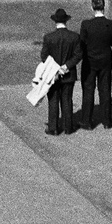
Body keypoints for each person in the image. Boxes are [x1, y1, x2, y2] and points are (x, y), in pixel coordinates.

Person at [78, 0, 112, 130]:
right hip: (105, 60)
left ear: (92, 7)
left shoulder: (86, 24)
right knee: (105, 89)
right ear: (104, 7)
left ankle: (86, 120)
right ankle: (106, 120)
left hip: (90, 60)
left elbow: (82, 43)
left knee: (88, 90)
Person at [40, 8, 81, 136]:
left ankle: (53, 127)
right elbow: (78, 55)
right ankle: (68, 127)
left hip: (53, 74)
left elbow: (44, 56)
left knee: (53, 100)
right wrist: (66, 66)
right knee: (67, 99)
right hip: (69, 74)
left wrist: (55, 68)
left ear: (55, 22)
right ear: (66, 21)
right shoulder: (74, 37)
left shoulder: (49, 38)